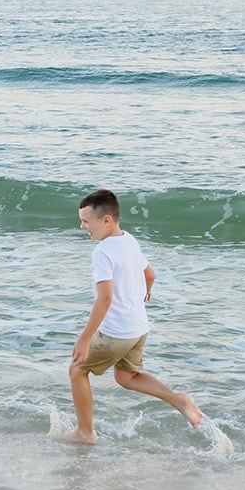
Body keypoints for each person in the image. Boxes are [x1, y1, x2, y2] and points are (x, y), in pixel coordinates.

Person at [57, 188, 203, 445]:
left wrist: (84, 338)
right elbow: (150, 274)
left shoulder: (102, 252)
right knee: (127, 377)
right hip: (138, 327)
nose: (82, 227)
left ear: (106, 220)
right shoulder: (129, 240)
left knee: (77, 370)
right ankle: (178, 399)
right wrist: (146, 293)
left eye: (85, 221)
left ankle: (85, 433)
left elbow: (104, 299)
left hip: (117, 332)